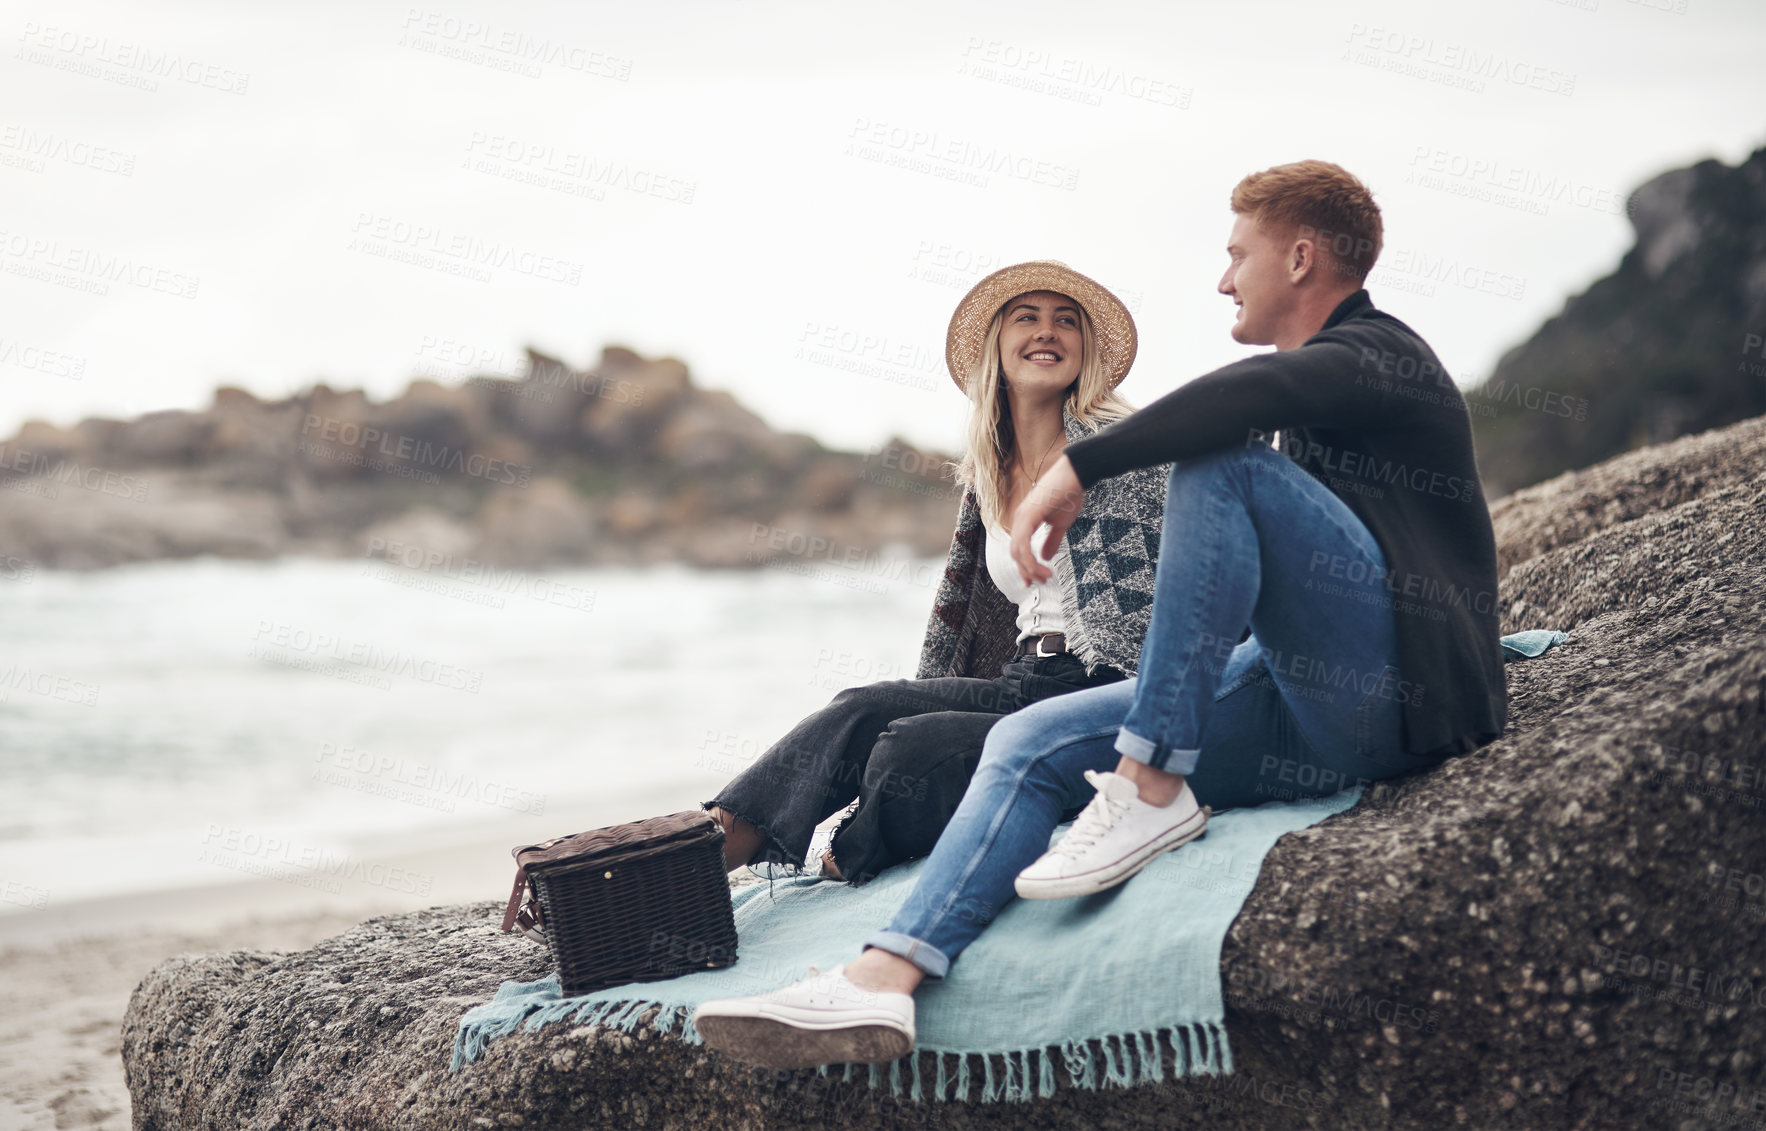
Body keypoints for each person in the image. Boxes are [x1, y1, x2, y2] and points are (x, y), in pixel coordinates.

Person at [693, 161, 1508, 1067]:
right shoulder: (1301, 397)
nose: (1223, 277)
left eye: (1239, 254)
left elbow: (1243, 406)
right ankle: (884, 979)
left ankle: (1151, 785)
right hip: (1300, 709)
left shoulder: (1381, 356)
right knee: (1024, 742)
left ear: (1303, 258)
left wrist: (1080, 467)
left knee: (1219, 456)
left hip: (1395, 695)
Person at [703, 260, 1172, 887]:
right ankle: (696, 860)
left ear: (1084, 349)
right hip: (1027, 678)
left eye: (1067, 322)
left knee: (913, 748)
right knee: (857, 711)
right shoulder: (987, 477)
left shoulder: (1124, 449)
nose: (1048, 332)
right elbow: (971, 615)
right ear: (995, 348)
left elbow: (1204, 564)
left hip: (1108, 689)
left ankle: (852, 853)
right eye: (1026, 318)